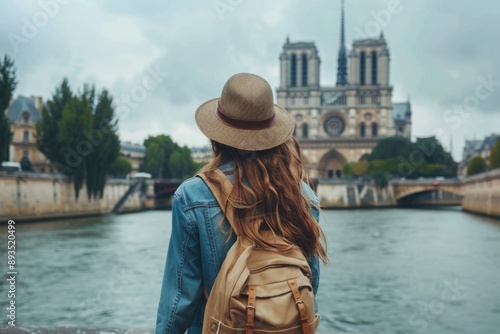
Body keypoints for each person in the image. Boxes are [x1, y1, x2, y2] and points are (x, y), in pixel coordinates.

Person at [155, 73, 328, 334]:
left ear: (216, 137)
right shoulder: (303, 196)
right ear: (274, 136)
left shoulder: (192, 196)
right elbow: (310, 282)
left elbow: (179, 302)